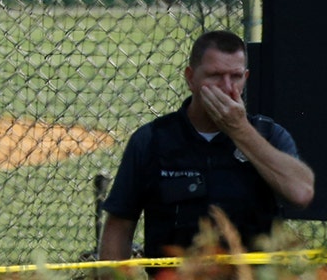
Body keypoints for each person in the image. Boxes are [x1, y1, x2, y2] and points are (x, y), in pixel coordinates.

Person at [98, 30, 315, 259]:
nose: (227, 87)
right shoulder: (152, 140)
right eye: (215, 76)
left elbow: (301, 193)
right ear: (191, 78)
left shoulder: (268, 135)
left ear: (246, 78)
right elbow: (120, 225)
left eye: (236, 76)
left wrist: (240, 130)